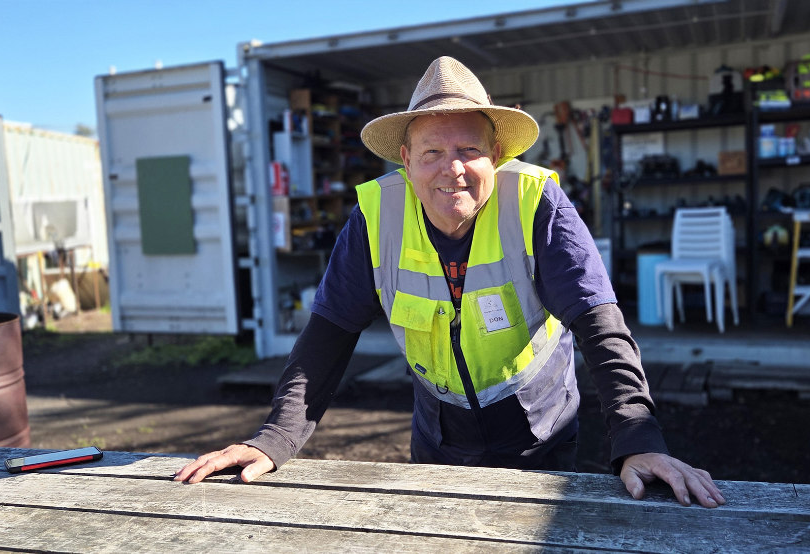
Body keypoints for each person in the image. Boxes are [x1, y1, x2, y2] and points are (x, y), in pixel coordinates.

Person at [175, 56, 725, 508]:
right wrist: (274, 439)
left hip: (539, 431)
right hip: (435, 435)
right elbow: (328, 334)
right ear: (407, 161)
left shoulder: (538, 205)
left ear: (497, 155)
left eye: (469, 150)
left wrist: (637, 439)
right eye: (433, 152)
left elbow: (600, 326)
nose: (451, 169)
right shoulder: (374, 217)